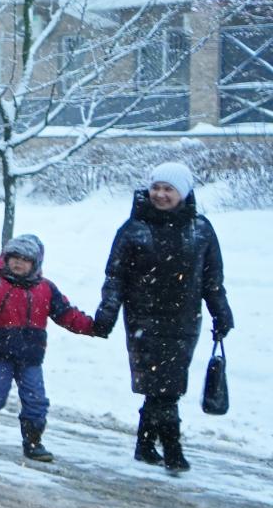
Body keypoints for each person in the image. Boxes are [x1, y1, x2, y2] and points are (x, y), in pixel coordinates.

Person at [95, 162, 233, 475]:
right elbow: (115, 276)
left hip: (184, 320)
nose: (159, 194)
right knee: (164, 385)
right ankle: (172, 448)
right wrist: (107, 313)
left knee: (164, 382)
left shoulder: (201, 230)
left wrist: (221, 312)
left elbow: (212, 279)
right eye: (155, 187)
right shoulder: (133, 229)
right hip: (143, 319)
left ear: (183, 192)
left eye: (168, 189)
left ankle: (145, 445)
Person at [0, 235, 101, 462]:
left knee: (36, 399)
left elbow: (67, 314)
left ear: (35, 263)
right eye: (14, 257)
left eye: (25, 259)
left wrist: (92, 327)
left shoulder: (46, 289)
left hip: (30, 356)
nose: (18, 262)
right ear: (5, 258)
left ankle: (33, 441)